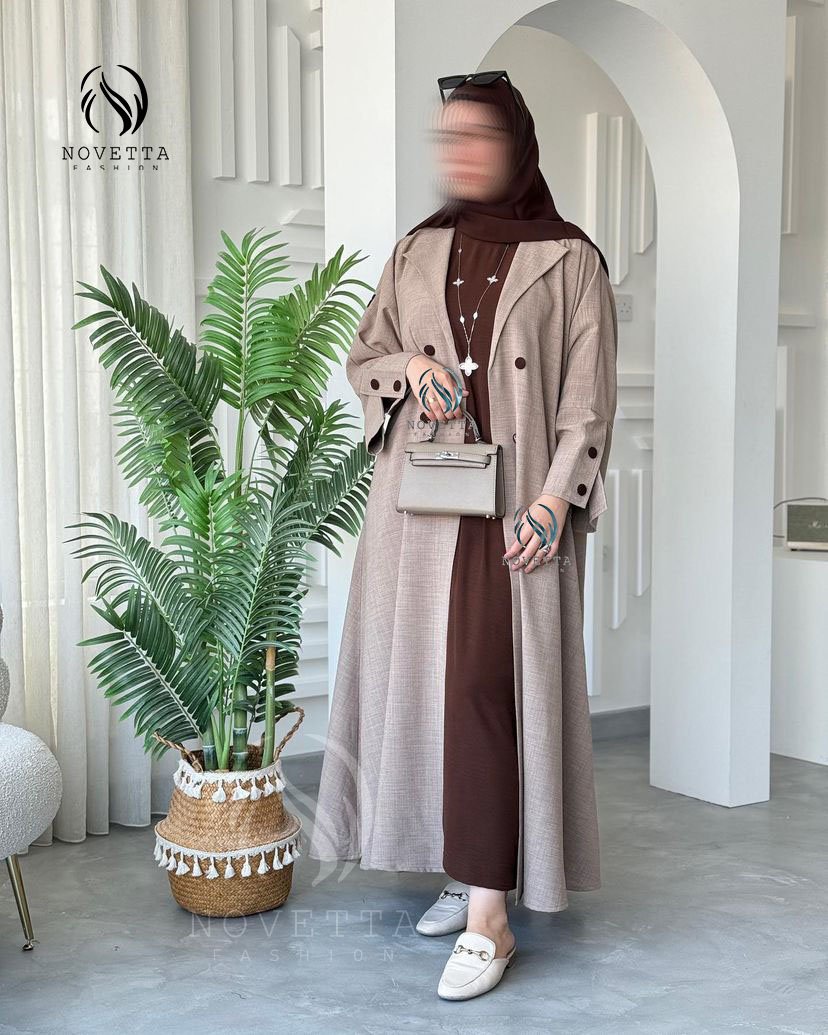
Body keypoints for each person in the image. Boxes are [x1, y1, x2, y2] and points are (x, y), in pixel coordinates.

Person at [307, 71, 618, 1002]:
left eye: (478, 134)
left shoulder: (571, 260)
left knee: (488, 686)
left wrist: (556, 502)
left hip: (515, 513)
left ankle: (491, 917)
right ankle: (467, 863)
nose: (461, 152)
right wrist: (409, 366)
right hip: (423, 510)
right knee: (435, 690)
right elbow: (363, 358)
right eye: (449, 136)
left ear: (516, 144)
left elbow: (587, 406)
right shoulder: (415, 249)